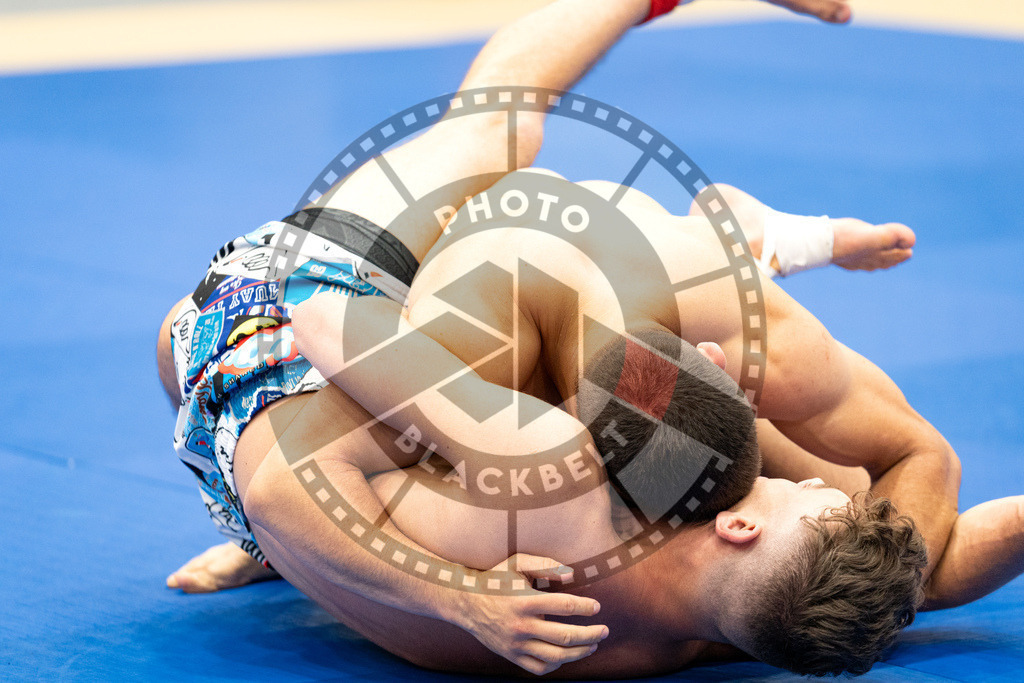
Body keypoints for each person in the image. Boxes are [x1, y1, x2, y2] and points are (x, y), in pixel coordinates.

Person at [158, 0, 1014, 676]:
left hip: (260, 342)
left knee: (496, 125)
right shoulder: (754, 628)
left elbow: (283, 467)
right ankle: (754, 237)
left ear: (742, 531)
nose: (829, 491)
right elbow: (933, 567)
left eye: (808, 504)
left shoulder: (548, 475)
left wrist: (457, 598)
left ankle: (747, 226)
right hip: (271, 443)